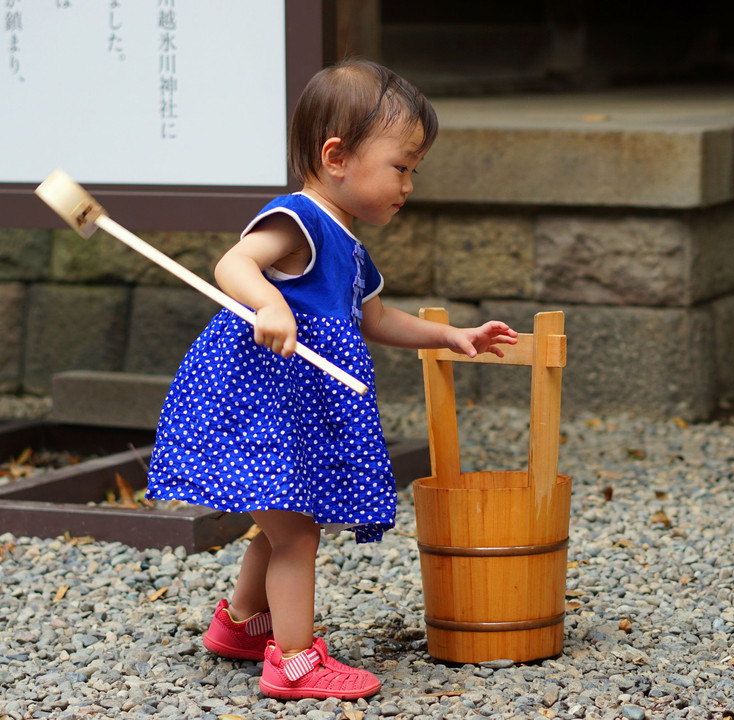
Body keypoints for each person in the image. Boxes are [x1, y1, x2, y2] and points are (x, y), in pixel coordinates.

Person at [145, 59, 518, 701]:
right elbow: (235, 263)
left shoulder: (350, 245)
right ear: (337, 155)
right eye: (400, 167)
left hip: (295, 411)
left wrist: (451, 336)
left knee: (283, 521)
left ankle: (240, 626)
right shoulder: (299, 219)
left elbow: (374, 318)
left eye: (413, 172)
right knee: (296, 532)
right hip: (257, 403)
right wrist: (268, 302)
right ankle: (292, 660)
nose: (408, 185)